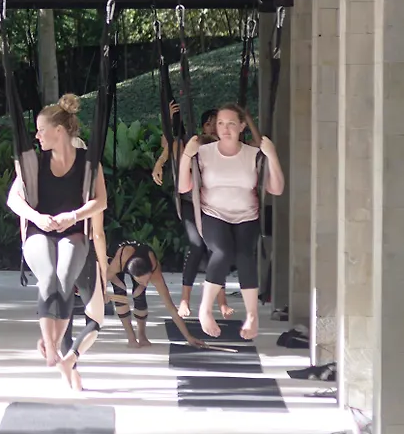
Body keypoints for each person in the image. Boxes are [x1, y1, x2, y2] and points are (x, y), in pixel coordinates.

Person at [5, 93, 107, 390]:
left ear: (59, 131)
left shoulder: (89, 164)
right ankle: (50, 345)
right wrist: (37, 218)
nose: (37, 136)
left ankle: (55, 343)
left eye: (41, 130)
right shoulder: (35, 163)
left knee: (64, 279)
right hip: (39, 231)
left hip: (72, 231)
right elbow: (14, 199)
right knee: (48, 277)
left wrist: (73, 216)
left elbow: (100, 201)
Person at [176, 104, 285, 340]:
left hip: (247, 215)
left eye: (231, 124)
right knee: (223, 252)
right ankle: (206, 310)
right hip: (213, 214)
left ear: (242, 126)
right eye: (221, 124)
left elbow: (276, 189)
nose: (225, 129)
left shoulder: (252, 154)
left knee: (245, 256)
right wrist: (186, 155)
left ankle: (252, 316)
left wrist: (272, 154)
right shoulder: (204, 152)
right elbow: (183, 187)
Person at [152, 102, 230, 322]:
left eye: (218, 124)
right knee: (196, 245)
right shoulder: (194, 144)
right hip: (189, 202)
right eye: (210, 124)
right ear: (203, 127)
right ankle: (185, 300)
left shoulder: (225, 148)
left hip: (212, 205)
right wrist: (160, 161)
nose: (213, 128)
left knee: (217, 250)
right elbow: (171, 144)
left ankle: (221, 300)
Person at [101, 241, 200, 348]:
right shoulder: (118, 262)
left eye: (147, 280)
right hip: (114, 257)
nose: (145, 283)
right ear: (133, 275)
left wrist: (188, 337)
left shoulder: (155, 270)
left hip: (141, 258)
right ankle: (131, 337)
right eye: (141, 281)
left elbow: (170, 306)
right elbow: (102, 282)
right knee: (120, 292)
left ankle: (142, 335)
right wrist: (102, 295)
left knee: (139, 294)